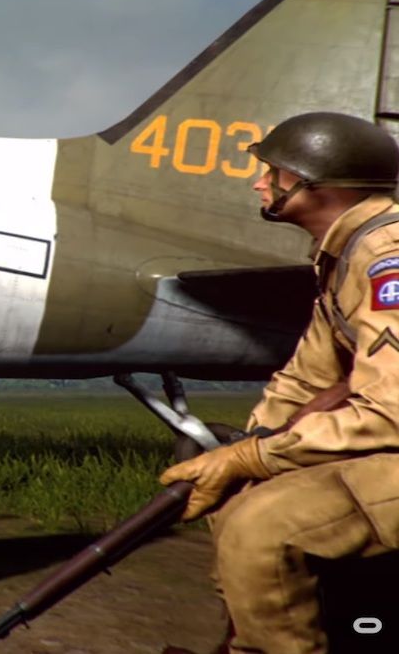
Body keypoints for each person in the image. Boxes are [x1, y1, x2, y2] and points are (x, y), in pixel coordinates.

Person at [158, 111, 399, 653]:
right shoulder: (346, 254)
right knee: (240, 503)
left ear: (318, 184)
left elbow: (391, 411)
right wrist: (248, 448)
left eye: (275, 172)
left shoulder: (388, 261)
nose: (260, 181)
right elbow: (309, 377)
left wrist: (253, 459)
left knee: (264, 528)